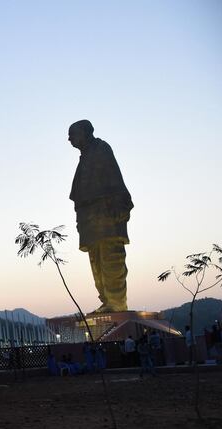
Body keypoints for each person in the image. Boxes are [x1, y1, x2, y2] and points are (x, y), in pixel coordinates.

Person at [68, 120, 133, 313]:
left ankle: (116, 302)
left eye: (72, 134)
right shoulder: (85, 156)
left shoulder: (101, 150)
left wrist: (118, 207)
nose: (69, 139)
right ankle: (107, 300)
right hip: (90, 219)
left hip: (105, 215)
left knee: (111, 258)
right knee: (96, 261)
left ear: (85, 133)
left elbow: (114, 179)